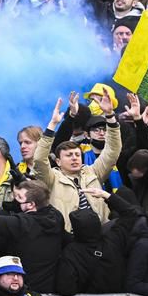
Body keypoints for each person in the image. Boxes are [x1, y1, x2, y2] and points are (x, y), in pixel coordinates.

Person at [34, 93, 121, 230]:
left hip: (101, 232)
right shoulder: (51, 178)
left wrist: (110, 115)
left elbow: (113, 150)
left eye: (77, 155)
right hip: (69, 235)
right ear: (58, 161)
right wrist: (53, 124)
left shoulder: (93, 171)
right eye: (69, 155)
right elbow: (39, 159)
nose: (74, 158)